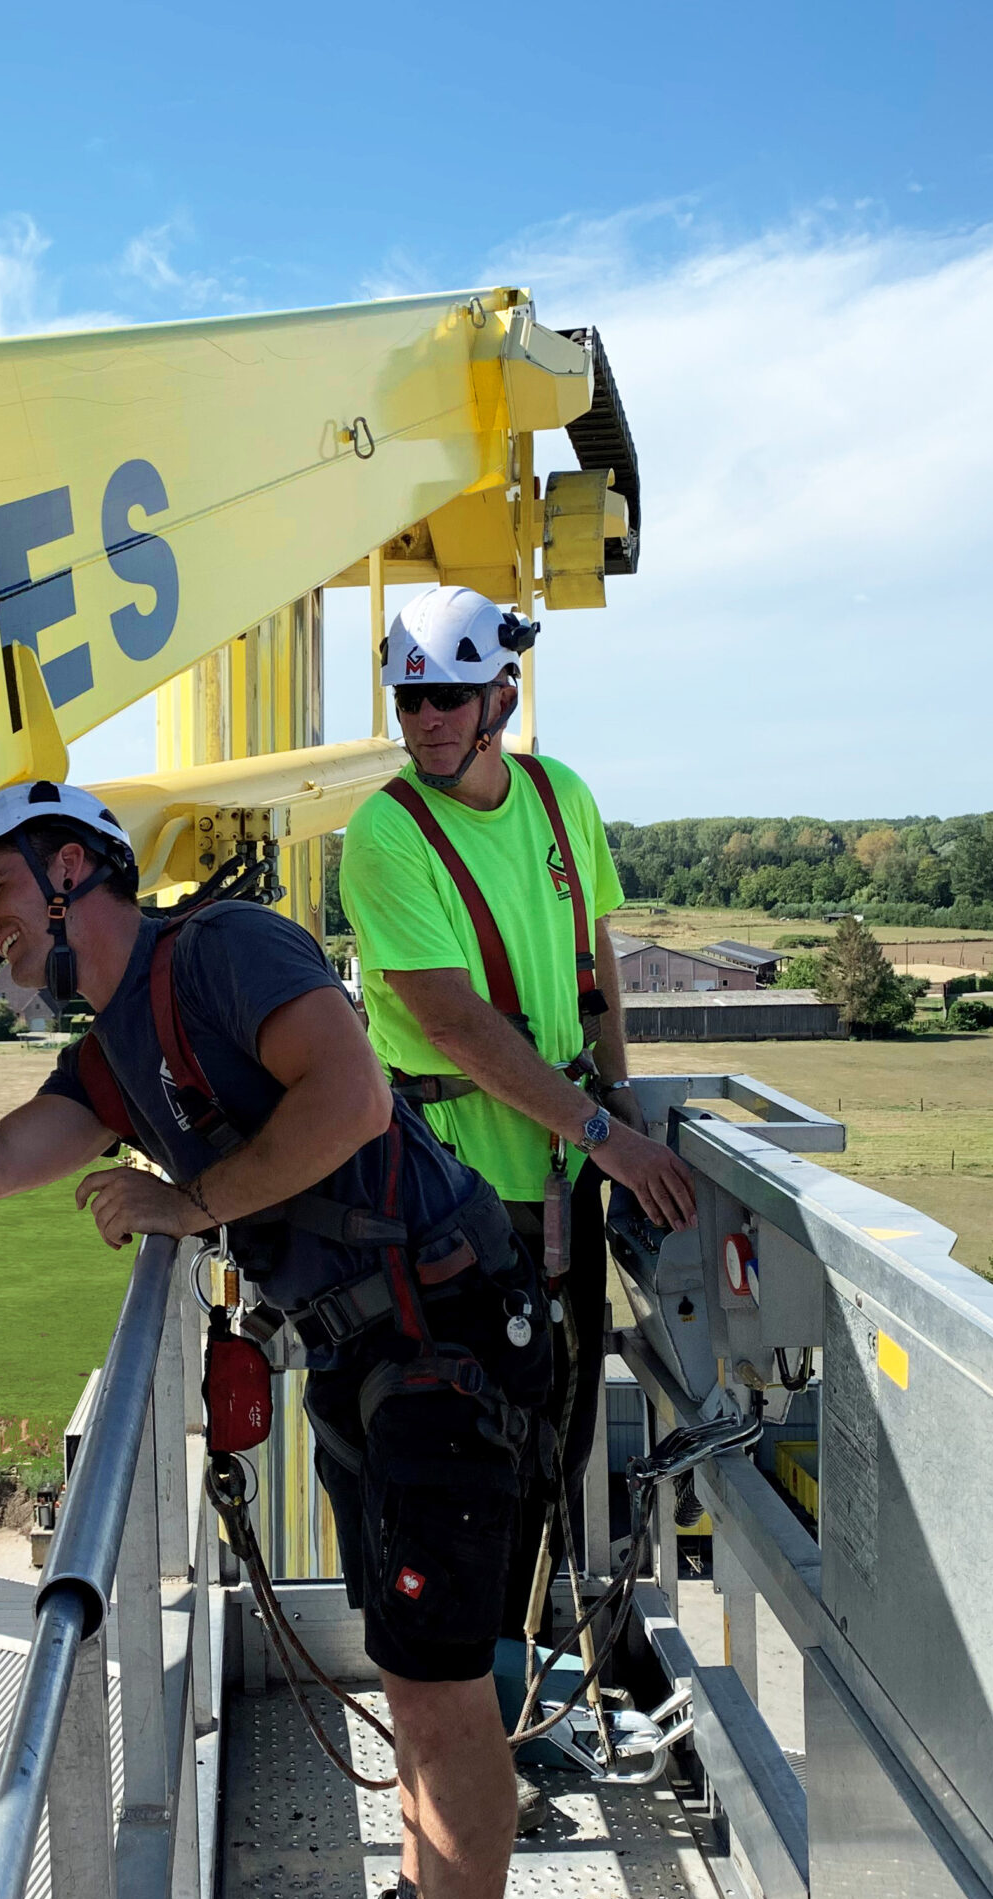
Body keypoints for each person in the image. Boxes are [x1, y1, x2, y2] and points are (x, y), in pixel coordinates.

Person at [0, 777, 550, 1899]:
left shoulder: (219, 951)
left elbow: (351, 1098)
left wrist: (188, 1203)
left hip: (444, 1332)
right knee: (411, 1675)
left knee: (442, 1697)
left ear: (69, 870)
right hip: (372, 1354)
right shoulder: (114, 1056)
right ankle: (416, 1898)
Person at [336, 584, 697, 1644]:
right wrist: (606, 1135)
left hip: (559, 1187)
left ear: (502, 694)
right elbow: (452, 1025)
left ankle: (517, 1662)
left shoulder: (558, 798)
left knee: (557, 1436)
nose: (424, 720)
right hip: (449, 1198)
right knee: (465, 1447)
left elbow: (595, 964)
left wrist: (617, 1096)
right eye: (408, 701)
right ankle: (466, 1682)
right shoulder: (386, 835)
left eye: (447, 697)